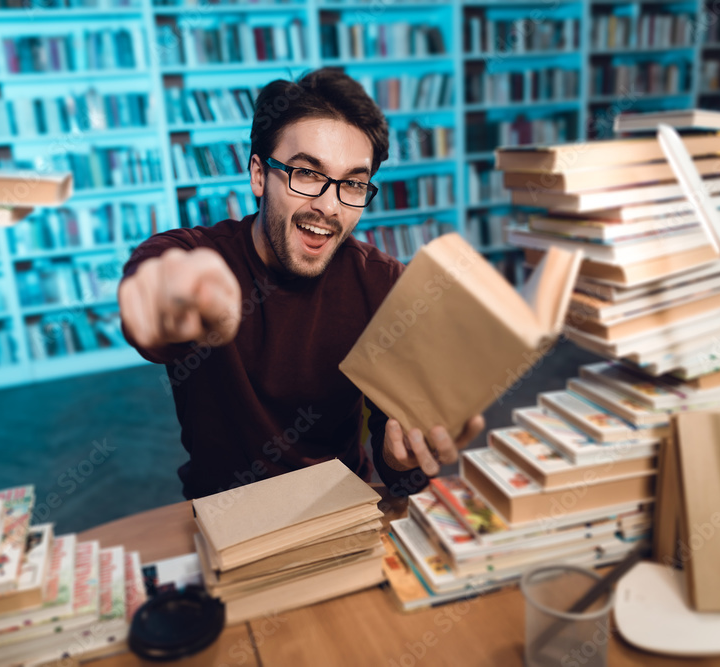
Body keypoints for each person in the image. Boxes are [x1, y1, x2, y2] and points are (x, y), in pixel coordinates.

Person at [118, 68, 483, 500]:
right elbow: (158, 287)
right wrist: (166, 301)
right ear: (258, 174)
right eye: (307, 173)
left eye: (352, 183)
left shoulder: (383, 283)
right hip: (225, 511)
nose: (329, 206)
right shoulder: (198, 258)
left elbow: (399, 464)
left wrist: (403, 458)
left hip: (341, 504)